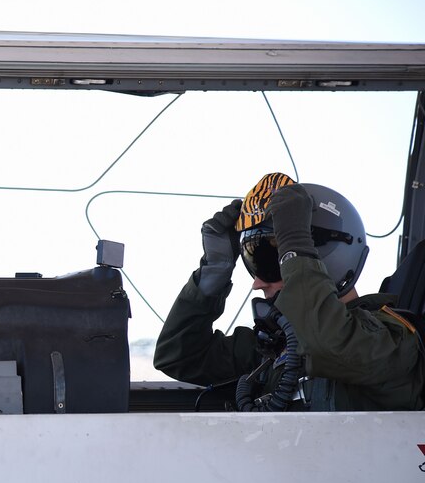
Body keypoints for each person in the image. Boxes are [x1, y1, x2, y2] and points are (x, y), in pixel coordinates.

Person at [154, 172, 424, 411]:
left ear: (324, 259)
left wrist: (294, 241)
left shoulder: (395, 342)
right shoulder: (275, 348)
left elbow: (325, 342)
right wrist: (214, 272)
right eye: (252, 262)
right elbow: (179, 355)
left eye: (271, 262)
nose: (257, 284)